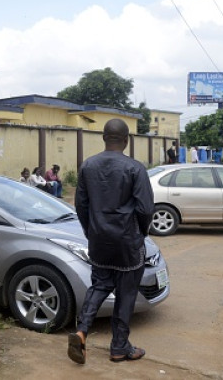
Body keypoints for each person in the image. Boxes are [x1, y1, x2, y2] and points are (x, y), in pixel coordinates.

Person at [67, 119, 154, 365]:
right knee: (126, 294)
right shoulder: (135, 168)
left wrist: (90, 231)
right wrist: (142, 233)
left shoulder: (87, 166)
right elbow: (146, 208)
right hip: (128, 242)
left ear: (104, 138)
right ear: (127, 140)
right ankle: (119, 348)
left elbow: (81, 206)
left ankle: (82, 330)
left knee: (100, 285)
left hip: (99, 241)